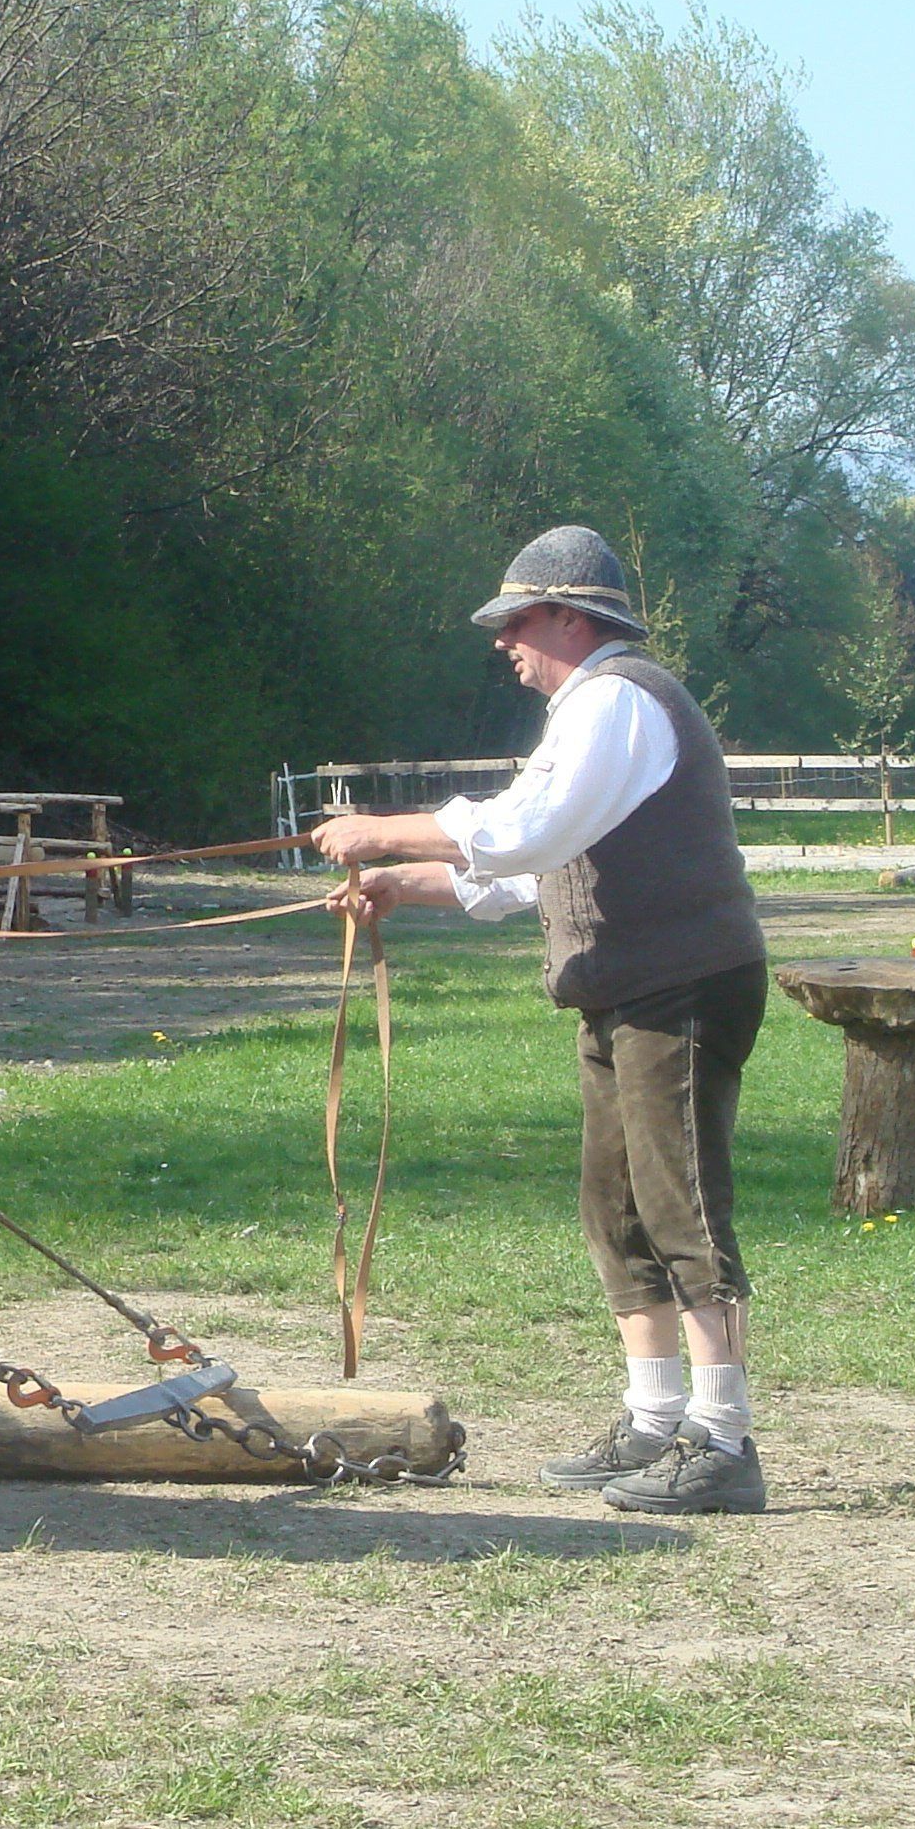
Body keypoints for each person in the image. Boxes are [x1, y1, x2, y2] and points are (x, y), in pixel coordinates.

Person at [313, 526, 769, 1515]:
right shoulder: (591, 713)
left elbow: (527, 832)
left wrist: (378, 831)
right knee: (618, 1209)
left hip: (681, 986)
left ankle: (723, 1440)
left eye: (516, 620)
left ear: (569, 618)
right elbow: (539, 869)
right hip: (631, 989)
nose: (503, 641)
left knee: (682, 1209)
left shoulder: (616, 701)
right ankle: (655, 1420)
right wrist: (404, 883)